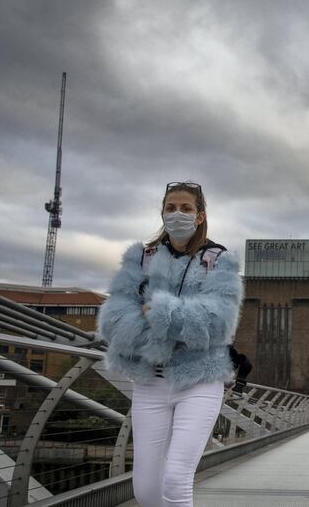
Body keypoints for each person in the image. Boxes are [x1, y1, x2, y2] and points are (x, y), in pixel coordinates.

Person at [96, 181, 243, 507]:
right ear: (162, 212)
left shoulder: (218, 262)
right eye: (170, 208)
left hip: (200, 381)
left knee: (176, 480)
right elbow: (113, 322)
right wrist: (181, 323)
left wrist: (159, 313)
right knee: (146, 491)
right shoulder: (141, 259)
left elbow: (218, 324)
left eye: (186, 208)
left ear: (200, 216)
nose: (177, 214)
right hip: (150, 383)